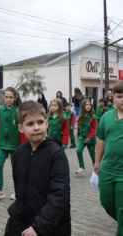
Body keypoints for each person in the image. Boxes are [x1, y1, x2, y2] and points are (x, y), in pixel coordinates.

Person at [5, 100, 71, 236]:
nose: (36, 127)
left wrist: (39, 226)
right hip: (21, 222)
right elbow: (20, 191)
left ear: (46, 124)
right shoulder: (19, 153)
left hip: (50, 226)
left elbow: (59, 195)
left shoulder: (56, 154)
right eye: (30, 123)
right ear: (20, 128)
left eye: (40, 122)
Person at [94, 80, 123, 235]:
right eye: (119, 96)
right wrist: (97, 161)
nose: (122, 99)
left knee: (122, 208)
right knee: (106, 202)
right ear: (113, 98)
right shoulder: (106, 117)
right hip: (108, 169)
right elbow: (100, 140)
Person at [0, 87, 23, 201]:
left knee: (16, 169)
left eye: (10, 97)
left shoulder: (19, 111)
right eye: (6, 97)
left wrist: (23, 146)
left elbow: (23, 129)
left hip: (15, 146)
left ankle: (18, 190)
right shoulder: (0, 111)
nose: (8, 99)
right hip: (2, 145)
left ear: (15, 98)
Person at [75, 99, 97, 175]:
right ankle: (82, 167)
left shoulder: (93, 117)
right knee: (78, 150)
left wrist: (89, 137)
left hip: (91, 139)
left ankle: (96, 168)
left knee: (92, 155)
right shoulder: (80, 117)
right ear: (83, 107)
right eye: (86, 105)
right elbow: (79, 127)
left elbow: (94, 129)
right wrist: (78, 136)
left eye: (89, 105)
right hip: (82, 138)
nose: (88, 106)